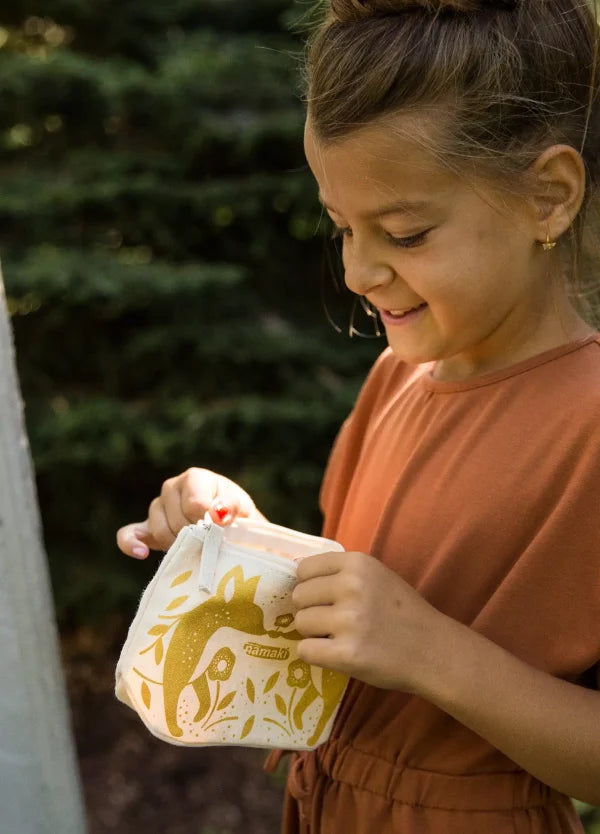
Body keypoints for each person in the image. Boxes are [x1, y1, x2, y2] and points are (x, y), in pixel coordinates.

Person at [117, 0, 600, 831]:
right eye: (340, 226)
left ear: (548, 198)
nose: (356, 270)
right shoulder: (395, 382)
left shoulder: (588, 426)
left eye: (405, 234)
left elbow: (407, 636)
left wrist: (430, 653)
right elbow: (361, 612)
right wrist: (246, 540)